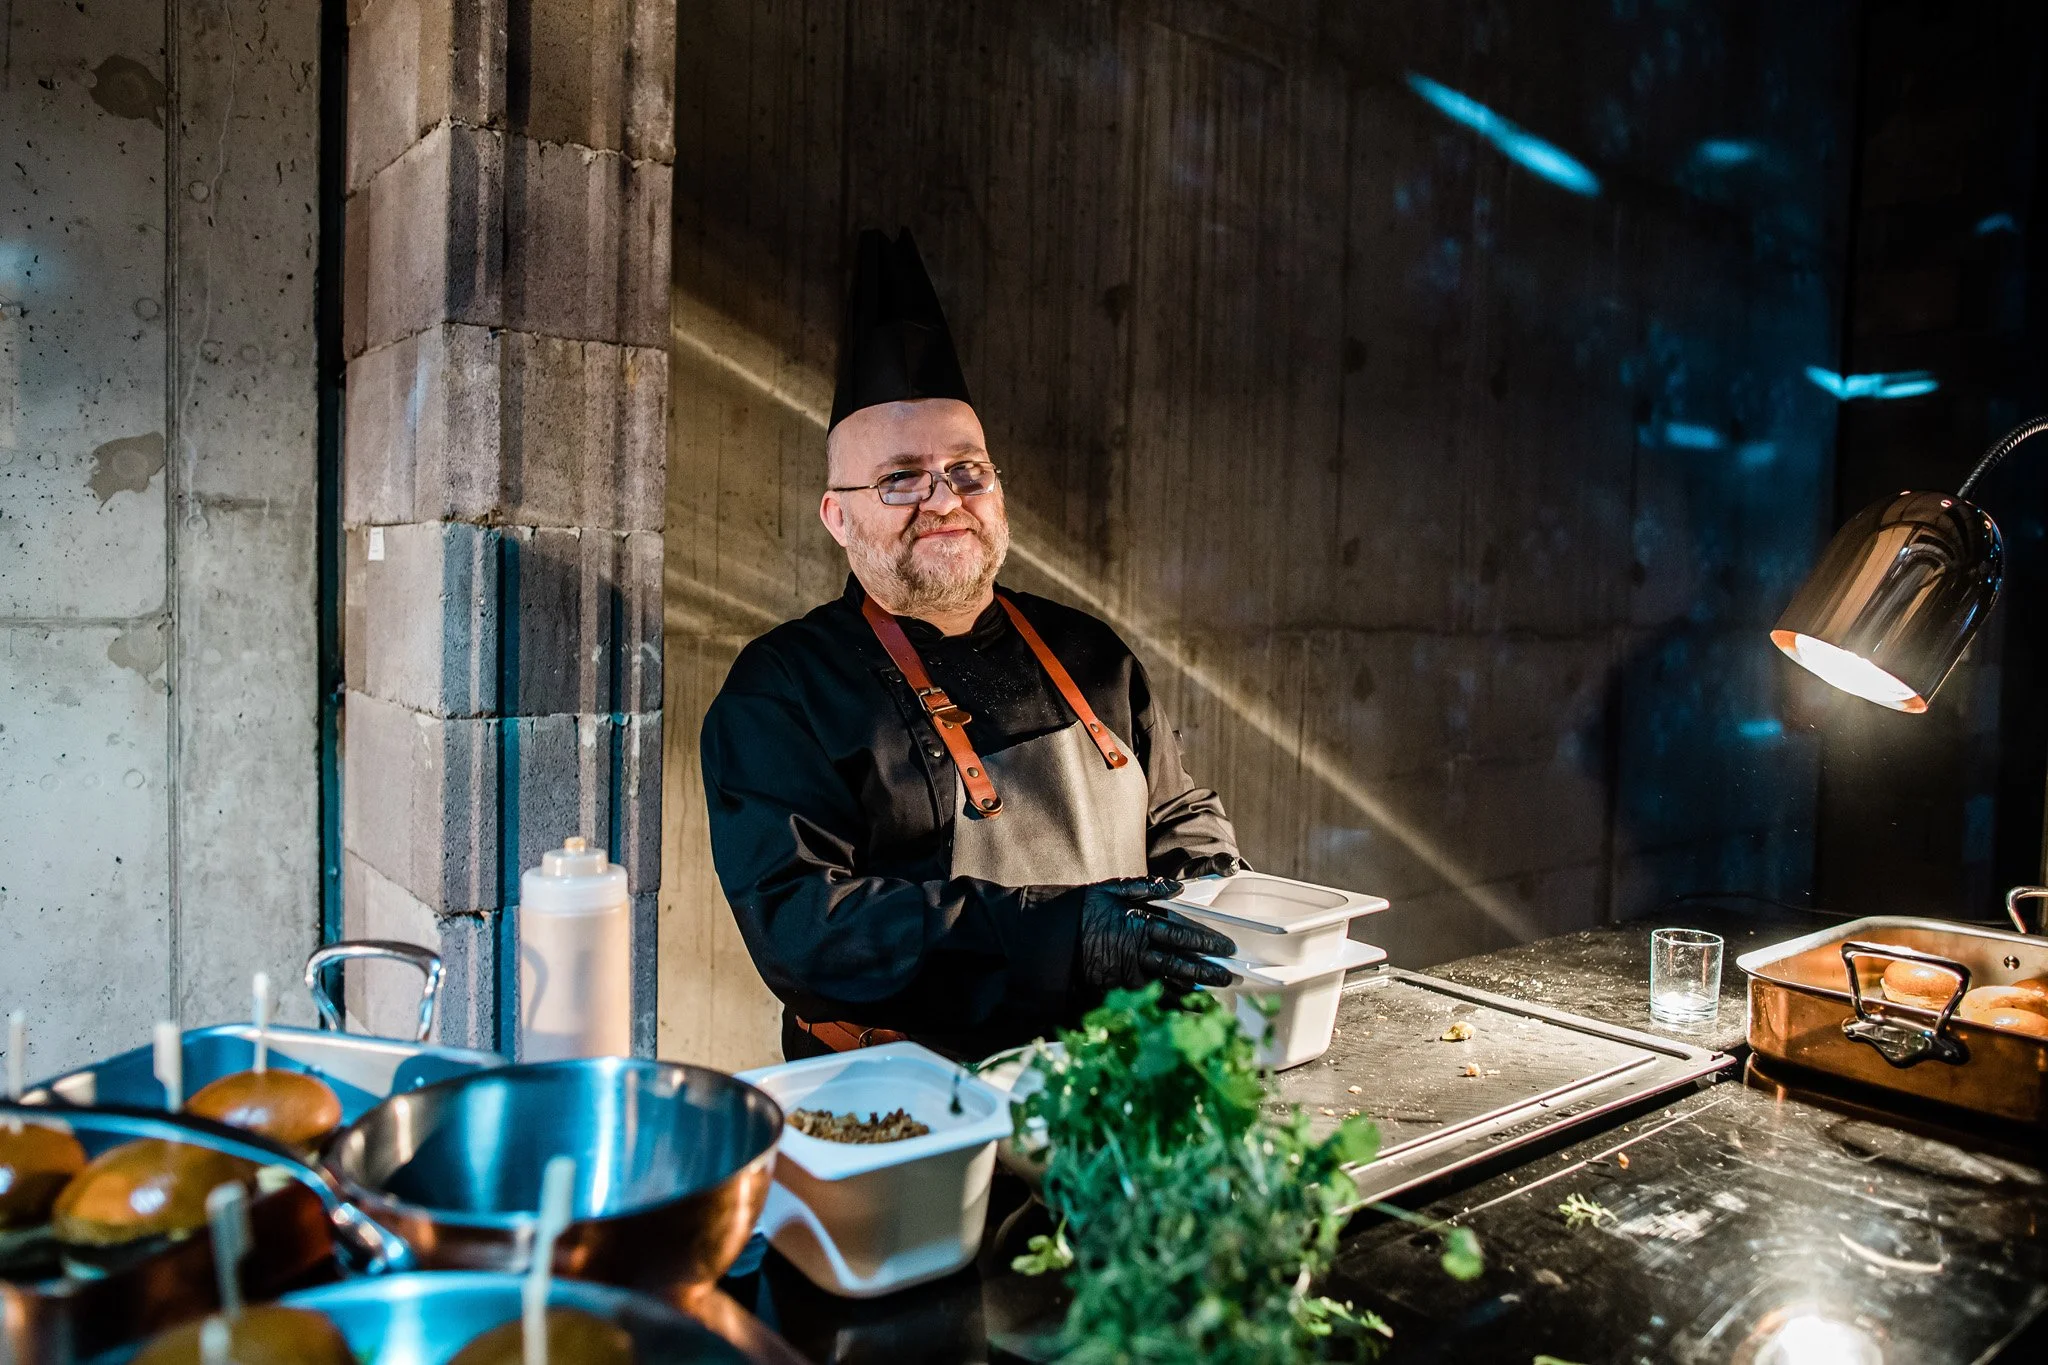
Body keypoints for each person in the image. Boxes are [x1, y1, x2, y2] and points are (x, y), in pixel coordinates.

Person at [701, 229, 1248, 1061]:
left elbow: (1177, 812)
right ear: (837, 517)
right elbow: (804, 921)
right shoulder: (781, 690)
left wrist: (1210, 892)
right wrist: (1067, 938)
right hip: (909, 1100)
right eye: (900, 479)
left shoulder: (1091, 653)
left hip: (1116, 1072)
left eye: (968, 470)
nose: (946, 499)